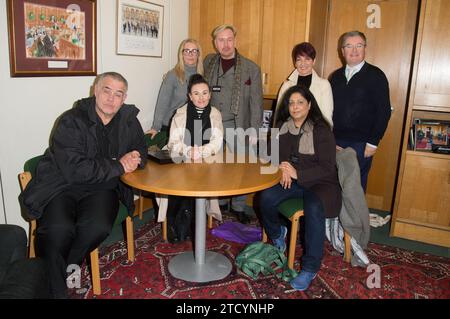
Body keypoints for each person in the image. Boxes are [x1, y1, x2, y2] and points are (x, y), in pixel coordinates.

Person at [21, 72, 147, 298]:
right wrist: (118, 165)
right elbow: (75, 169)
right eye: (106, 90)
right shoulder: (71, 120)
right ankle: (56, 291)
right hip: (63, 185)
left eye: (118, 94)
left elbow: (141, 150)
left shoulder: (129, 120)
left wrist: (135, 157)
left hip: (102, 189)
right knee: (58, 231)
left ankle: (68, 267)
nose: (111, 98)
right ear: (95, 91)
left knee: (97, 227)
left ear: (124, 98)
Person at [259, 85, 342, 291]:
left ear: (309, 105)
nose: (295, 107)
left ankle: (310, 267)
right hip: (293, 180)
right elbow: (272, 154)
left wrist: (297, 172)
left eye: (300, 102)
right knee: (265, 197)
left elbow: (327, 167)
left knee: (314, 207)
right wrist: (282, 167)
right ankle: (278, 234)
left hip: (321, 182)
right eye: (291, 103)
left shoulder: (322, 129)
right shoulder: (283, 126)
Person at [204, 24, 263, 224]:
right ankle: (219, 203)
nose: (226, 44)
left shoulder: (251, 68)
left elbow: (256, 102)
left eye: (229, 39)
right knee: (217, 167)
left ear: (235, 41)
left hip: (238, 125)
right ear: (215, 43)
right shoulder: (208, 62)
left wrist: (255, 130)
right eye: (221, 40)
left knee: (240, 168)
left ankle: (238, 207)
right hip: (213, 126)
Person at [160, 74, 223, 243]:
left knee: (200, 185)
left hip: (206, 161)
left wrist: (200, 152)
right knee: (176, 186)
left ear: (210, 94)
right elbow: (173, 142)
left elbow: (217, 142)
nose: (201, 97)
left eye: (204, 93)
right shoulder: (180, 113)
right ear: (189, 96)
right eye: (196, 93)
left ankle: (191, 224)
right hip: (181, 159)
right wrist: (189, 151)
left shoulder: (215, 114)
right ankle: (176, 225)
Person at [329, 31, 391, 192]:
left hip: (361, 144)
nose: (354, 50)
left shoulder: (376, 76)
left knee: (355, 188)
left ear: (365, 49)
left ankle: (355, 218)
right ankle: (335, 217)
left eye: (359, 45)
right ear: (342, 51)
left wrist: (373, 143)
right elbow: (329, 110)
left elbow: (384, 111)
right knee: (334, 183)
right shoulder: (335, 77)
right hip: (336, 141)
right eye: (349, 46)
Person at [148, 38, 204, 141]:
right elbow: (162, 103)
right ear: (181, 54)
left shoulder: (203, 76)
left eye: (194, 51)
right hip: (173, 126)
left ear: (198, 54)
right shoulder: (173, 75)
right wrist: (155, 127)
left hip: (194, 127)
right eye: (187, 51)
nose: (190, 54)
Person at [275, 42, 333, 127]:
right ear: (295, 62)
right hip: (289, 134)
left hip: (314, 134)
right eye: (299, 59)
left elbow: (327, 117)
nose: (303, 63)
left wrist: (323, 138)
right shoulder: (286, 85)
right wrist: (274, 140)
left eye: (307, 59)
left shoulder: (324, 85)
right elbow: (278, 116)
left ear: (314, 61)